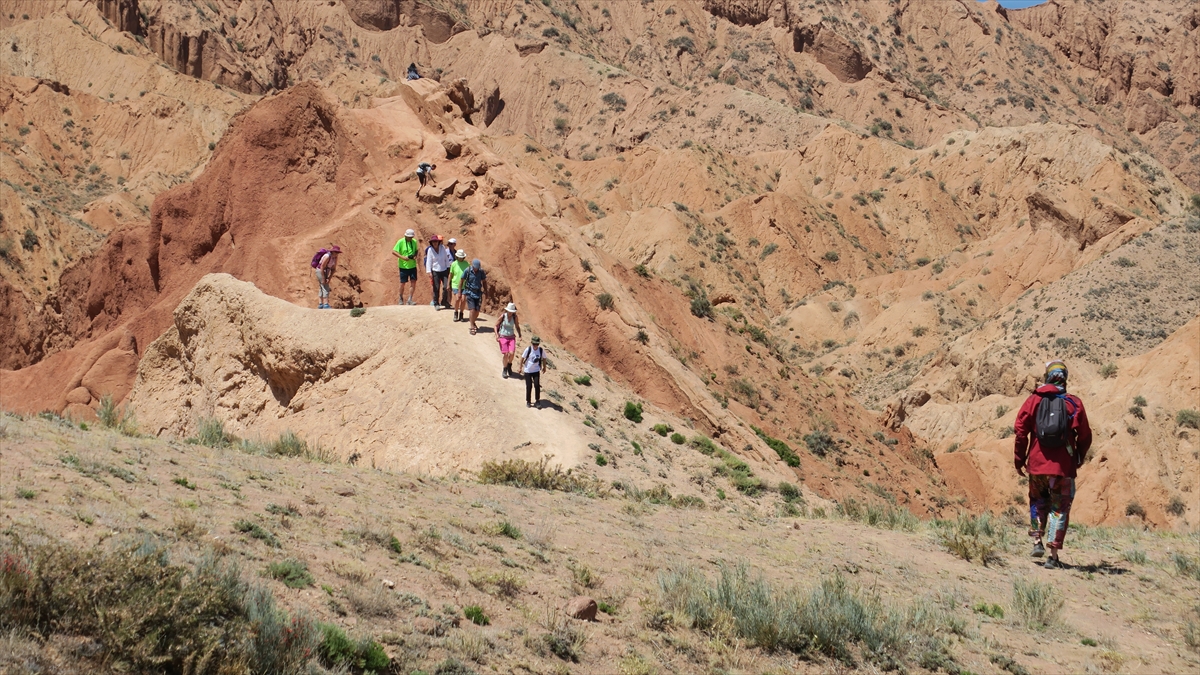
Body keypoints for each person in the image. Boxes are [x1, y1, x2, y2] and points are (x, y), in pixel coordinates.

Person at [1013, 360, 1092, 569]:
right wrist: (1079, 456)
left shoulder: (1033, 401)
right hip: (1063, 468)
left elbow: (1020, 431)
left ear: (1047, 376)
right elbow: (1085, 436)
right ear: (1064, 378)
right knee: (1060, 507)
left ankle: (1037, 540)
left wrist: (1019, 459)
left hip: (1037, 465)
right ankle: (1053, 555)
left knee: (1037, 501)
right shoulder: (1073, 403)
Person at [391, 229, 420, 305]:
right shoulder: (400, 242)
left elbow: (417, 250)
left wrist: (415, 256)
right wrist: (402, 257)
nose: (410, 238)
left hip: (412, 266)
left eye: (411, 237)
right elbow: (393, 251)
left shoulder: (414, 242)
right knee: (402, 283)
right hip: (403, 266)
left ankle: (410, 299)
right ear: (405, 236)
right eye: (408, 237)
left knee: (413, 282)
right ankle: (400, 298)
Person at [425, 235, 453, 309]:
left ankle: (444, 301)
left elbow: (446, 258)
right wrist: (429, 272)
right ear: (431, 243)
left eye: (436, 241)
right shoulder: (430, 250)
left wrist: (448, 267)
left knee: (445, 287)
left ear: (438, 242)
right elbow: (429, 261)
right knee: (436, 287)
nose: (435, 243)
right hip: (435, 270)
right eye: (433, 242)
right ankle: (436, 303)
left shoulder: (442, 248)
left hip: (444, 269)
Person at [495, 302, 522, 378]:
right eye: (509, 311)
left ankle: (509, 365)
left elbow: (517, 326)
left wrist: (520, 334)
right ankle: (505, 369)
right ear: (507, 310)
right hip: (503, 336)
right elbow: (495, 325)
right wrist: (497, 335)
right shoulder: (503, 316)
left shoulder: (515, 317)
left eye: (512, 312)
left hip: (511, 337)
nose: (510, 313)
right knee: (506, 354)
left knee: (512, 353)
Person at [461, 258, 487, 334]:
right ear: (472, 266)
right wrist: (460, 291)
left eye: (477, 268)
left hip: (478, 293)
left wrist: (486, 291)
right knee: (472, 310)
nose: (476, 269)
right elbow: (461, 280)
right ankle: (472, 326)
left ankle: (473, 321)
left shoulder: (481, 272)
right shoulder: (467, 270)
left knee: (477, 311)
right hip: (470, 292)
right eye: (475, 267)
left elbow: (484, 281)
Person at [519, 336, 546, 408]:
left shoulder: (540, 350)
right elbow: (522, 358)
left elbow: (544, 358)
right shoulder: (528, 349)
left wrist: (544, 367)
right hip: (528, 371)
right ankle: (528, 401)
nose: (535, 345)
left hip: (536, 370)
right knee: (529, 386)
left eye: (536, 344)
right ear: (531, 343)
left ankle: (537, 401)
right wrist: (520, 367)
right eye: (534, 344)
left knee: (537, 385)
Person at [449, 249, 469, 322]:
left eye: (461, 257)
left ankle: (461, 314)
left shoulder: (467, 264)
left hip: (464, 285)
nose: (460, 258)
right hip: (455, 284)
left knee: (463, 300)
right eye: (459, 257)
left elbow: (469, 274)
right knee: (457, 299)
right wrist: (448, 284)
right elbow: (450, 274)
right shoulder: (454, 264)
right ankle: (455, 312)